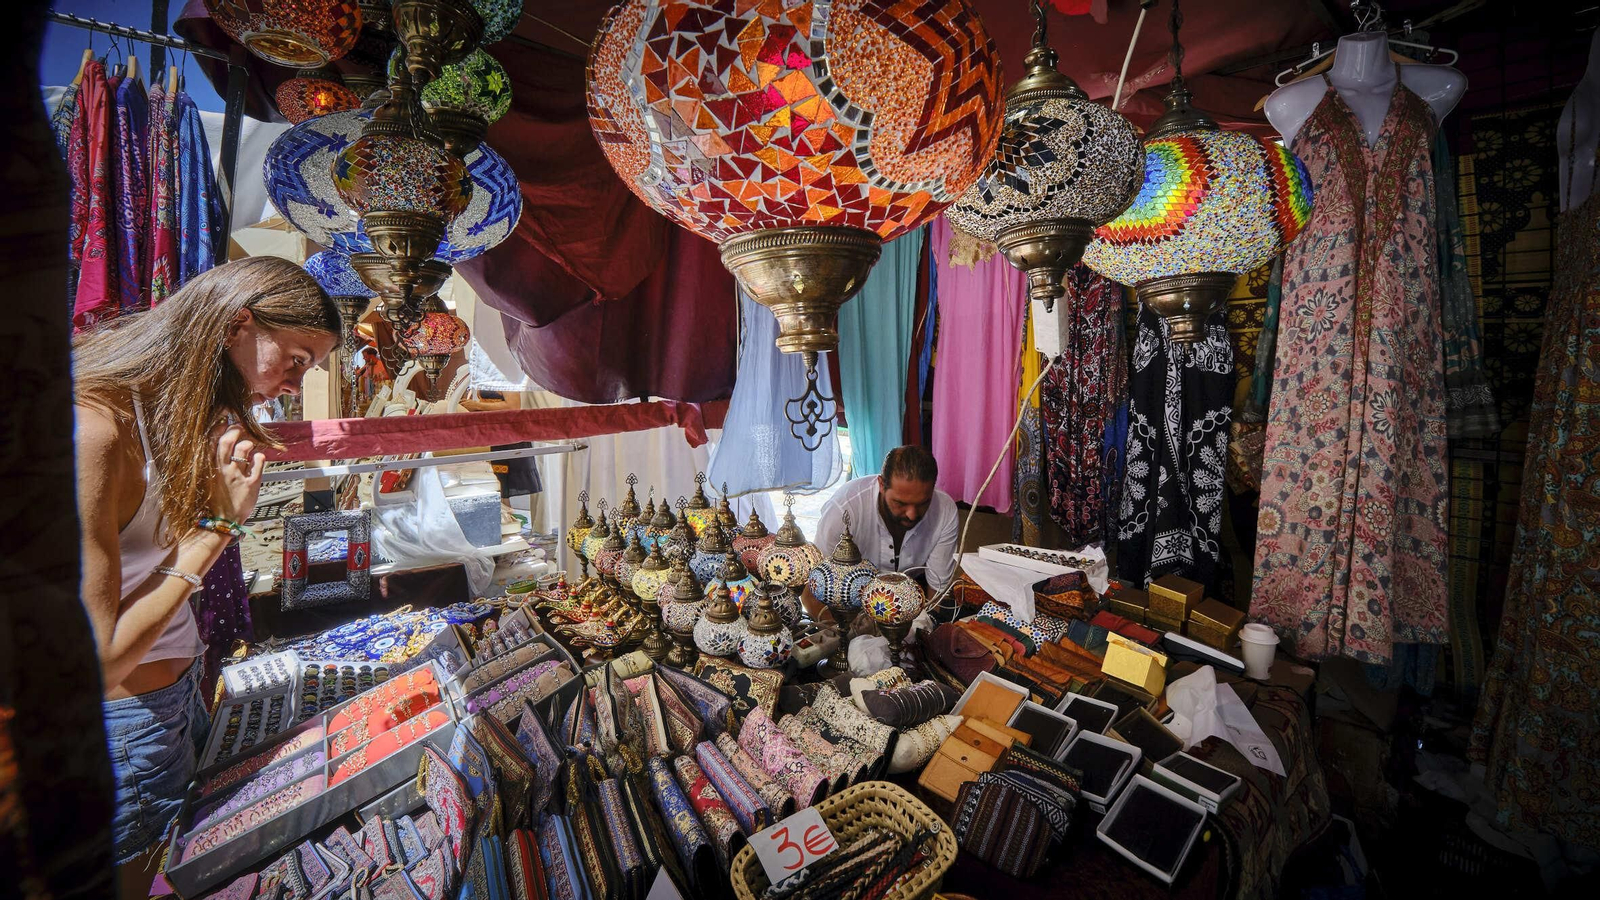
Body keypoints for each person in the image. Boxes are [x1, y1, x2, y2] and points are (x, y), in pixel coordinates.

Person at [72, 256, 339, 893]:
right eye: (296, 359)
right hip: (125, 726)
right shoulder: (94, 430)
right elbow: (97, 659)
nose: (295, 384)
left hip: (173, 699)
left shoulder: (167, 413)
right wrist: (218, 530)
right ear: (236, 325)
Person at [808, 445, 959, 619]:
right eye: (900, 503)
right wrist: (845, 638)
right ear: (881, 484)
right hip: (849, 603)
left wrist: (923, 632)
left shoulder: (944, 510)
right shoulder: (844, 509)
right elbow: (812, 592)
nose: (912, 514)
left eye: (922, 503)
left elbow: (936, 594)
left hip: (912, 598)